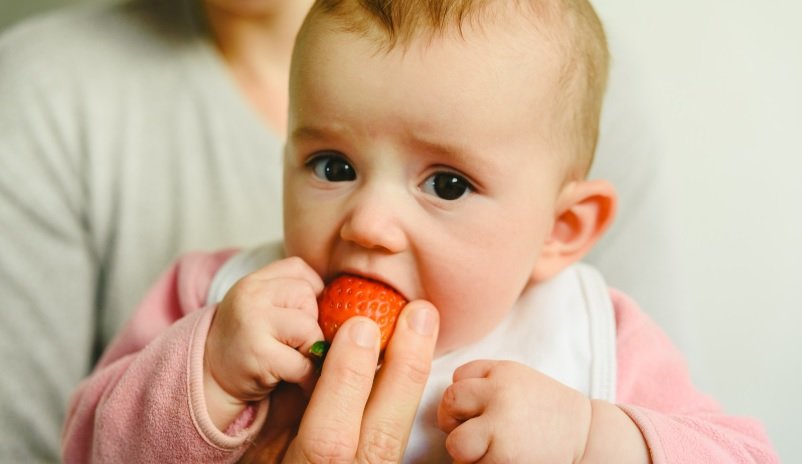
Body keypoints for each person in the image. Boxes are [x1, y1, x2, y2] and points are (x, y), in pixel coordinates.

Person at [60, 0, 778, 462]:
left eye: (447, 185)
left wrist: (595, 440)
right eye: (332, 164)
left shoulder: (596, 338)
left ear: (561, 228)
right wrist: (204, 378)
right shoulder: (215, 301)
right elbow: (84, 446)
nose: (368, 223)